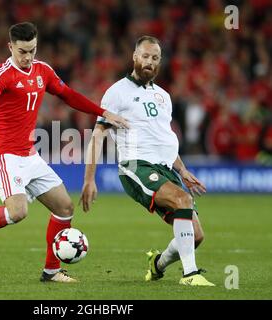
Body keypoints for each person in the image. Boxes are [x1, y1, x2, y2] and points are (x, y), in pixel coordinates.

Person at [0, 22, 128, 283]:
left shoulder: (43, 70)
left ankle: (51, 271)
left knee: (64, 207)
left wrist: (103, 112)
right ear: (10, 47)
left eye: (32, 50)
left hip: (30, 155)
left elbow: (69, 95)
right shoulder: (2, 74)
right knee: (17, 212)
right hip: (5, 156)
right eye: (22, 51)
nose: (28, 57)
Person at [80, 36, 215, 286]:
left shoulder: (163, 96)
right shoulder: (117, 93)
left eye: (154, 58)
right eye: (145, 56)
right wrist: (89, 179)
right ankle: (190, 275)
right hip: (135, 166)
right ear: (134, 57)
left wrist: (182, 169)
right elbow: (98, 136)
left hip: (165, 168)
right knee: (182, 200)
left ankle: (157, 264)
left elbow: (162, 138)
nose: (149, 62)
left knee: (195, 236)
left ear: (159, 61)